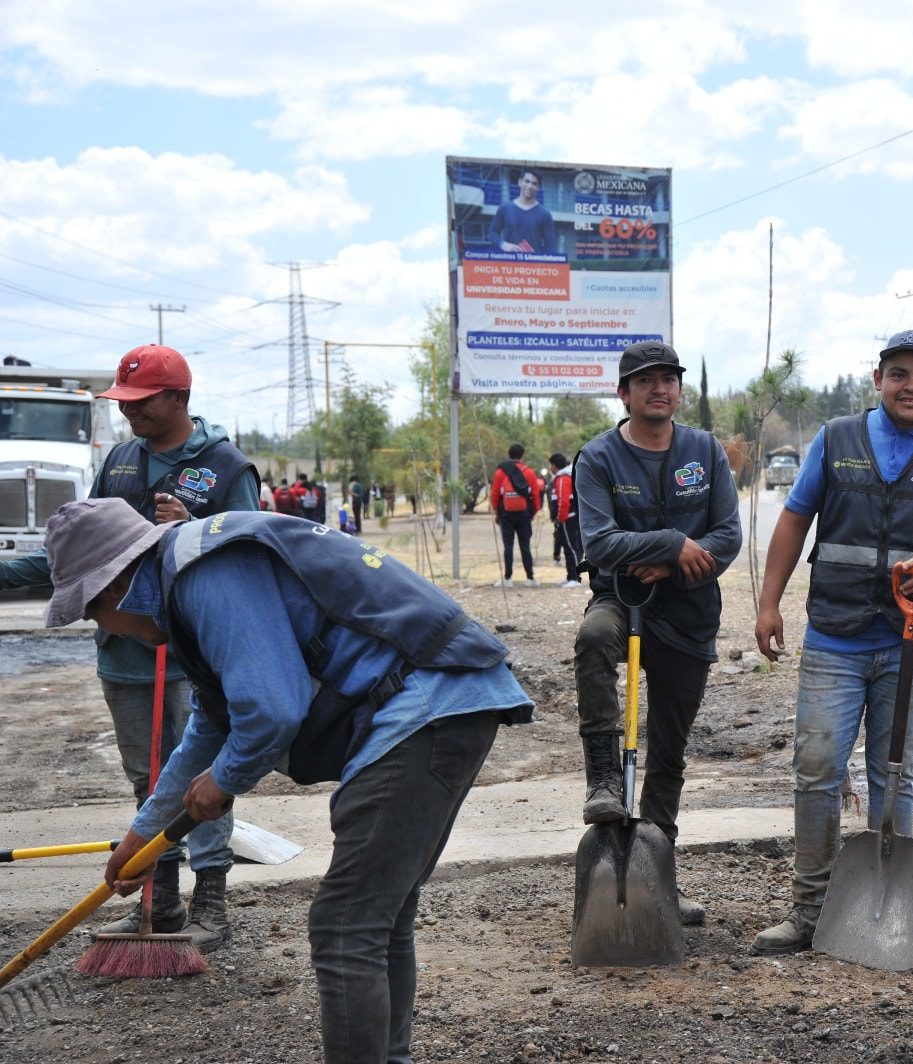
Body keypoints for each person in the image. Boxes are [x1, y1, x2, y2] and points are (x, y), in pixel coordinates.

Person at [45, 498, 530, 1064]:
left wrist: (225, 781)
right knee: (377, 915)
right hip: (450, 699)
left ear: (114, 588)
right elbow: (213, 721)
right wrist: (147, 834)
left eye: (90, 614)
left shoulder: (203, 574)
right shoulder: (189, 579)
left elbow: (272, 710)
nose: (103, 628)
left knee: (346, 925)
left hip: (425, 704)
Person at [0, 343, 258, 952]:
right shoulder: (117, 459)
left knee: (201, 774)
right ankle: (160, 902)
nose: (130, 414)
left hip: (192, 655)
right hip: (125, 654)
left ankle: (213, 906)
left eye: (142, 402)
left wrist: (190, 528)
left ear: (178, 398)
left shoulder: (225, 467)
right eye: (124, 403)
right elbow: (82, 549)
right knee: (149, 781)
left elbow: (254, 555)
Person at [751, 329, 913, 954]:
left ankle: (893, 914)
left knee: (896, 776)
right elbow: (794, 520)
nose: (910, 386)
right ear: (877, 379)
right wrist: (768, 602)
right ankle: (809, 912)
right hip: (835, 638)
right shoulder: (836, 440)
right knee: (817, 771)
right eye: (898, 374)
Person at [572, 340, 742, 925]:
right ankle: (601, 779)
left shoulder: (706, 451)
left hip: (690, 613)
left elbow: (727, 537)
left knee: (669, 752)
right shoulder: (596, 458)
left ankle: (656, 877)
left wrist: (671, 564)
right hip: (620, 598)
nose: (659, 388)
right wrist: (673, 543)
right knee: (594, 637)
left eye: (669, 379)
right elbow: (598, 544)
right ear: (624, 393)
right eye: (645, 380)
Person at [489, 443, 543, 587]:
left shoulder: (501, 472)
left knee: (508, 546)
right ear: (522, 456)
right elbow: (536, 494)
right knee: (525, 546)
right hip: (524, 514)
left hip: (506, 514)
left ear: (509, 455)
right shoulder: (529, 472)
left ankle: (507, 579)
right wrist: (534, 511)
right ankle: (530, 578)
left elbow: (494, 494)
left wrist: (497, 511)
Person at [489, 171, 557, 254]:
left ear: (538, 187)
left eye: (534, 184)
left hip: (534, 264)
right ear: (520, 182)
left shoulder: (545, 214)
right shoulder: (504, 208)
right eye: (527, 181)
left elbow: (551, 246)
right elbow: (492, 233)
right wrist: (503, 244)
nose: (530, 186)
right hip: (509, 263)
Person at [548, 451, 582, 589]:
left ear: (555, 466)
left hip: (568, 519)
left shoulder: (562, 478)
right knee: (568, 547)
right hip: (568, 518)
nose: (550, 468)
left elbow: (563, 501)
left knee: (571, 548)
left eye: (551, 465)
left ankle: (575, 577)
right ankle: (570, 576)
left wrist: (560, 518)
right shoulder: (566, 476)